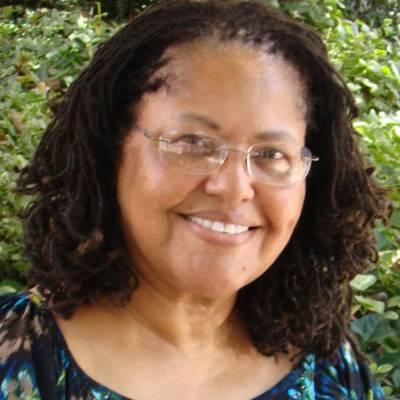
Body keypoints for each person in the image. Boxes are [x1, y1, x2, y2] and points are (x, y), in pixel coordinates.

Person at [0, 0, 391, 398]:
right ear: (109, 150)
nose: (235, 187)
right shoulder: (17, 354)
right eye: (193, 143)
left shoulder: (330, 366)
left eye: (272, 154)